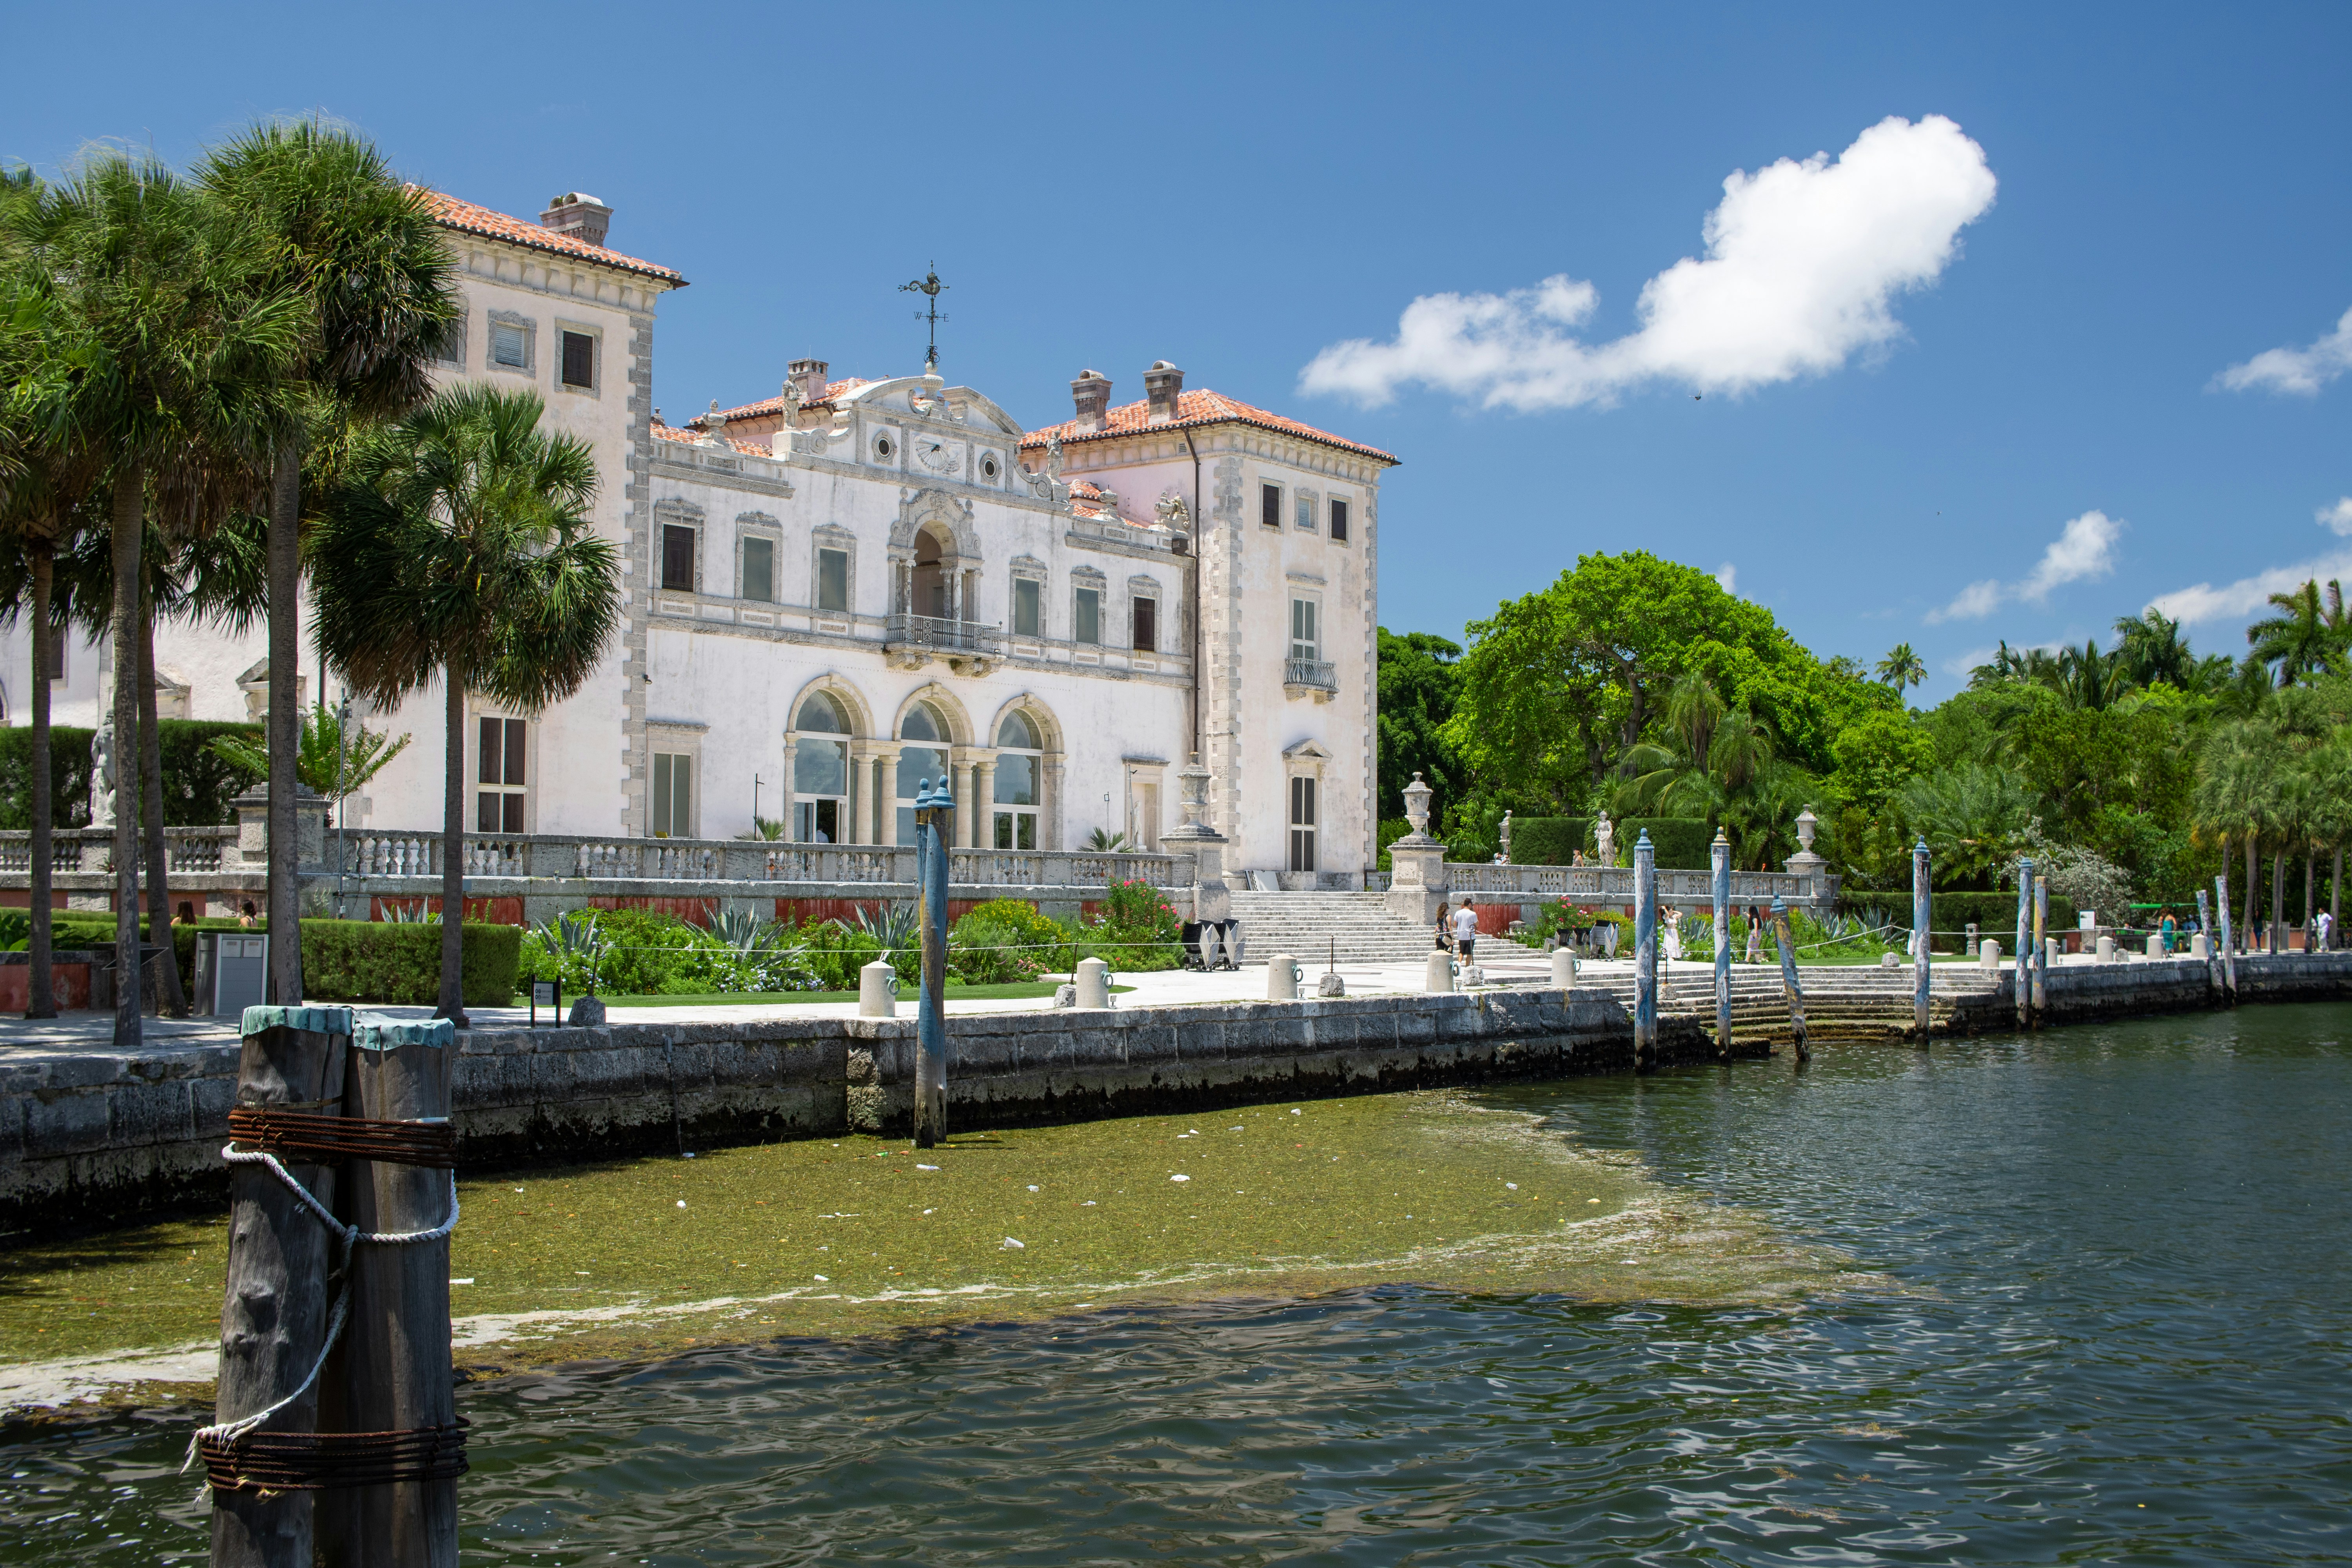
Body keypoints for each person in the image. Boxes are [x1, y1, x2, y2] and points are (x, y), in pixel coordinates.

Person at [1450, 899, 1480, 964]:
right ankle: (1467, 967)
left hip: (1461, 936)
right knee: (1469, 953)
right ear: (1470, 904)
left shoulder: (1458, 913)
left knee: (1461, 952)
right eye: (1472, 905)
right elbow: (1477, 924)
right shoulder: (1473, 914)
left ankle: (1459, 964)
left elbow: (1455, 925)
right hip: (1470, 936)